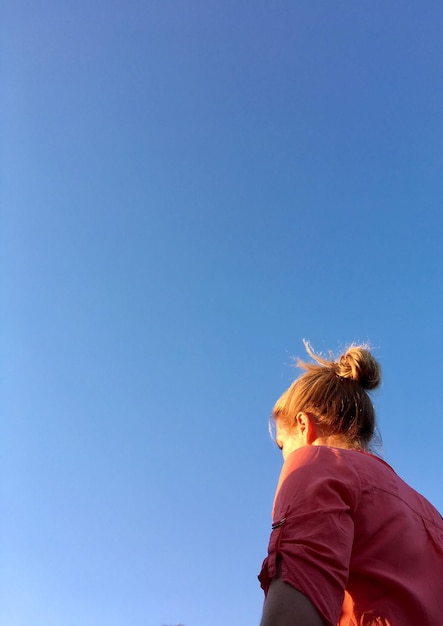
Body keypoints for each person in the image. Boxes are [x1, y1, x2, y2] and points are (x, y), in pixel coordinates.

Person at [258, 341, 443, 626]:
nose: (284, 458)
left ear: (304, 425)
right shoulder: (429, 513)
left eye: (282, 446)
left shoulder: (312, 465)